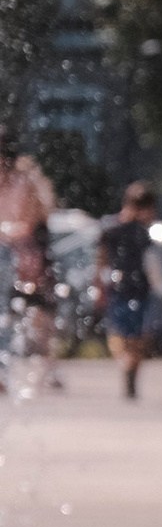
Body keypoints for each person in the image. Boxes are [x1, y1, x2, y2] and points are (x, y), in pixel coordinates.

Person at [0, 132, 60, 392]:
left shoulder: (23, 184)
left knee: (25, 316)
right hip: (12, 252)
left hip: (19, 255)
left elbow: (30, 224)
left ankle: (11, 371)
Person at [95, 182, 159, 400]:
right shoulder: (142, 233)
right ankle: (129, 370)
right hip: (136, 291)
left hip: (119, 290)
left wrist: (99, 288)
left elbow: (101, 264)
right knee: (135, 339)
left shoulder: (111, 230)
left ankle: (127, 367)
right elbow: (152, 266)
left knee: (121, 337)